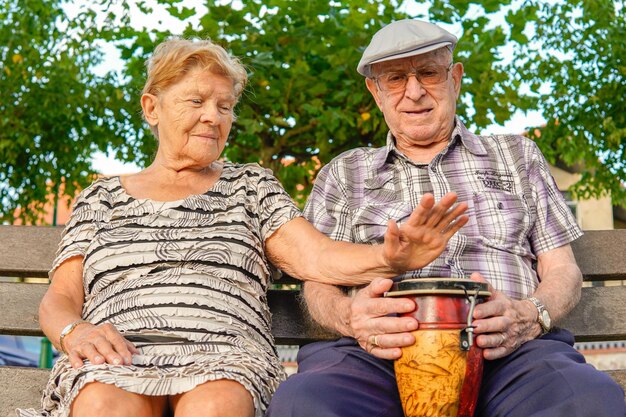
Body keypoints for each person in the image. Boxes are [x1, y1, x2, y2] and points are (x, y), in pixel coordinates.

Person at [17, 38, 469, 417]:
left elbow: (316, 256)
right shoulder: (101, 197)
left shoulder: (250, 185)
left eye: (225, 105)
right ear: (151, 107)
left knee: (215, 405)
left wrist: (388, 259)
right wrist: (76, 333)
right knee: (102, 405)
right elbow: (60, 298)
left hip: (225, 357)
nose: (213, 116)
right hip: (116, 354)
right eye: (196, 101)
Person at [266, 19, 626, 417]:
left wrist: (529, 315)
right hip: (372, 355)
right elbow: (318, 285)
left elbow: (563, 269)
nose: (415, 91)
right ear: (376, 91)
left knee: (587, 399)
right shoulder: (344, 172)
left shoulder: (517, 156)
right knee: (306, 404)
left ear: (455, 78)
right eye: (396, 78)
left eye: (429, 73)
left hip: (509, 352)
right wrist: (351, 318)